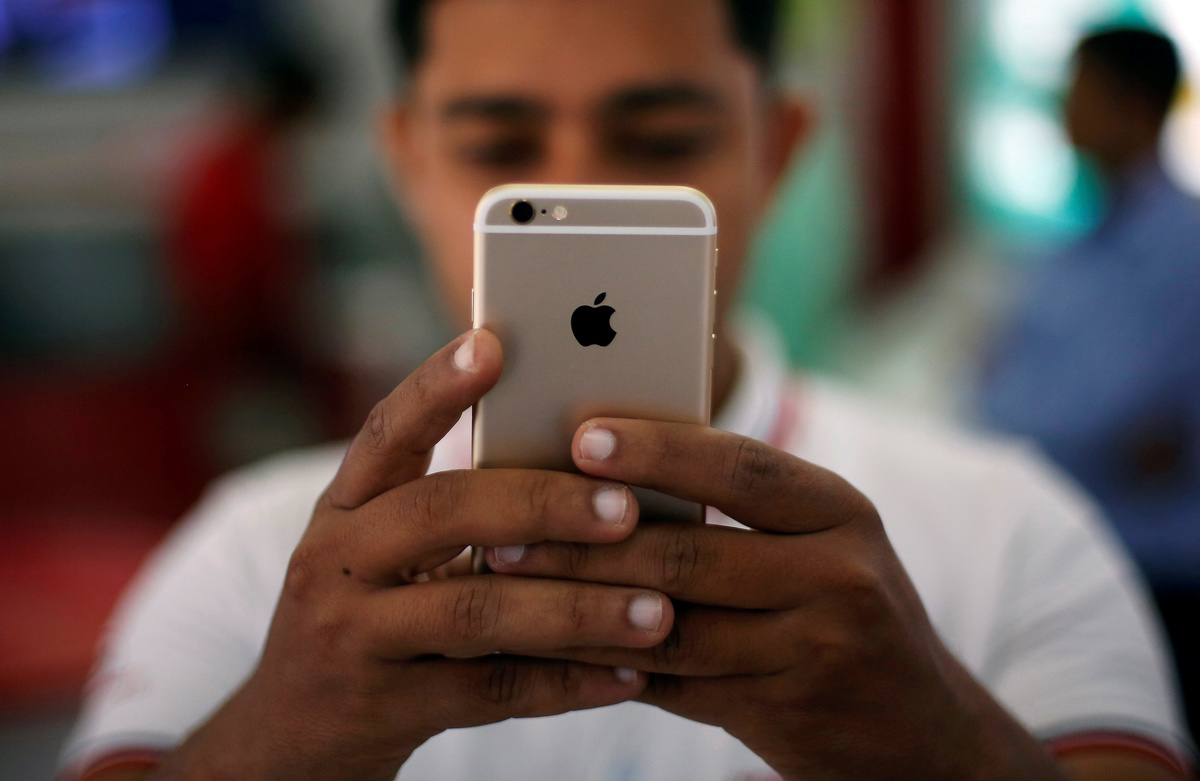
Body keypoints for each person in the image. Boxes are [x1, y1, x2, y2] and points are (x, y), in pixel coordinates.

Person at [61, 3, 1192, 779]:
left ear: (778, 149)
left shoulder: (1016, 530)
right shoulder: (259, 560)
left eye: (660, 139)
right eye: (499, 142)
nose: (581, 187)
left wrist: (939, 748)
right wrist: (283, 735)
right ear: (405, 158)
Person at [980, 28, 1200, 741]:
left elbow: (1112, 417)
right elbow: (990, 393)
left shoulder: (1183, 247)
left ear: (1134, 107)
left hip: (1161, 581)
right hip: (1074, 556)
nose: (1063, 109)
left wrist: (1022, 418)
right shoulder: (1074, 246)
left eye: (1079, 91)